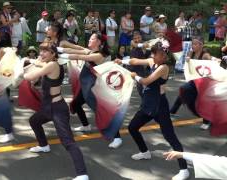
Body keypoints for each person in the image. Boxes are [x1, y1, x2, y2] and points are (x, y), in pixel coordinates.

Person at [115, 42, 190, 180]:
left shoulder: (163, 67)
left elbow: (146, 81)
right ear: (153, 54)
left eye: (164, 54)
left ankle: (184, 169)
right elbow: (135, 60)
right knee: (132, 127)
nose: (162, 57)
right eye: (159, 54)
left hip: (160, 106)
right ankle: (145, 152)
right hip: (148, 104)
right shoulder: (151, 61)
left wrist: (134, 76)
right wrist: (122, 60)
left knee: (170, 137)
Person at [24, 42, 88, 180]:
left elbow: (29, 77)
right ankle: (44, 145)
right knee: (34, 121)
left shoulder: (52, 65)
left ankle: (82, 174)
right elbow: (38, 64)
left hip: (57, 109)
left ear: (53, 54)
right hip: (48, 107)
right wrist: (30, 61)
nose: (41, 54)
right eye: (40, 51)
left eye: (45, 51)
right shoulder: (51, 64)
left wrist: (15, 71)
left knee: (68, 142)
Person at [59, 33, 123, 149]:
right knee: (76, 104)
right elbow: (77, 50)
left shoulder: (99, 56)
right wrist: (58, 49)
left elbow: (79, 56)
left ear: (99, 42)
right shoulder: (91, 51)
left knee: (102, 112)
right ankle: (86, 125)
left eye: (92, 38)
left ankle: (117, 137)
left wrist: (60, 55)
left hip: (95, 89)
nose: (89, 39)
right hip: (86, 87)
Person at [170, 36, 213, 130]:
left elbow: (211, 66)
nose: (193, 45)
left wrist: (213, 60)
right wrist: (187, 59)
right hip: (193, 80)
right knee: (183, 93)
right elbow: (187, 62)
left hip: (203, 82)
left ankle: (207, 120)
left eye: (195, 44)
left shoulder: (205, 55)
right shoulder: (191, 53)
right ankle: (172, 112)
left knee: (200, 101)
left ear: (201, 45)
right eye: (192, 43)